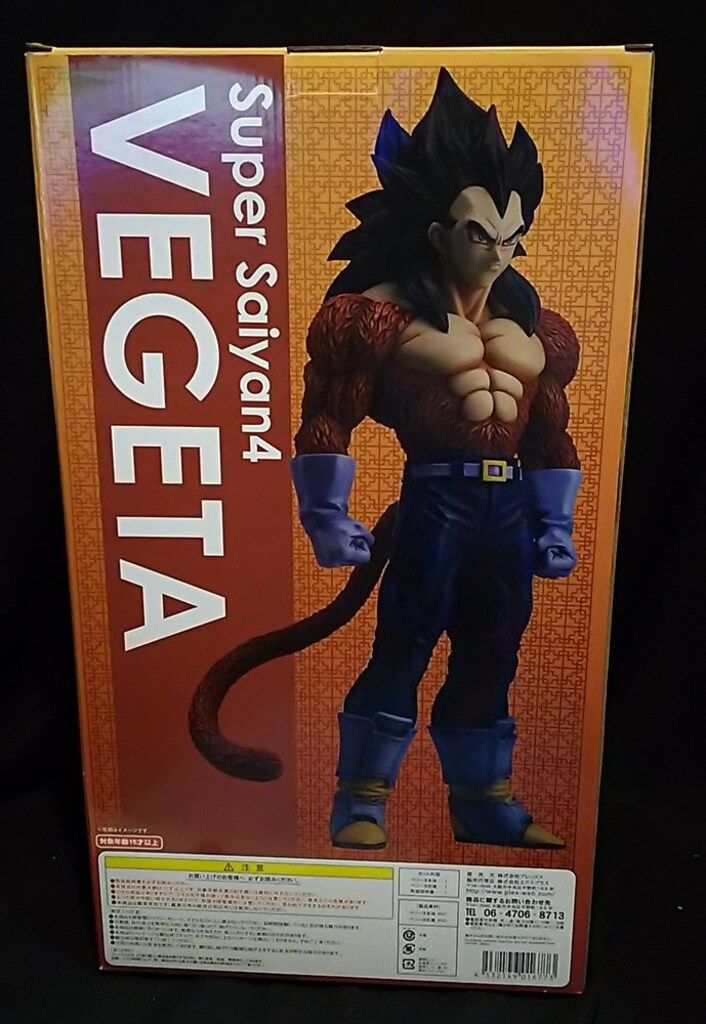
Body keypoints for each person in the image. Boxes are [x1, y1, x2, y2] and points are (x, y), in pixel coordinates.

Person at [289, 67, 581, 851]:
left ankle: (483, 801)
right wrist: (325, 514)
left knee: (494, 649)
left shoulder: (538, 332)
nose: (499, 254)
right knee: (405, 644)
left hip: (508, 507)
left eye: (513, 237)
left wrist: (556, 523)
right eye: (480, 235)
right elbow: (329, 414)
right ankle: (360, 800)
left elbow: (549, 433)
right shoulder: (377, 318)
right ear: (436, 232)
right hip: (436, 502)